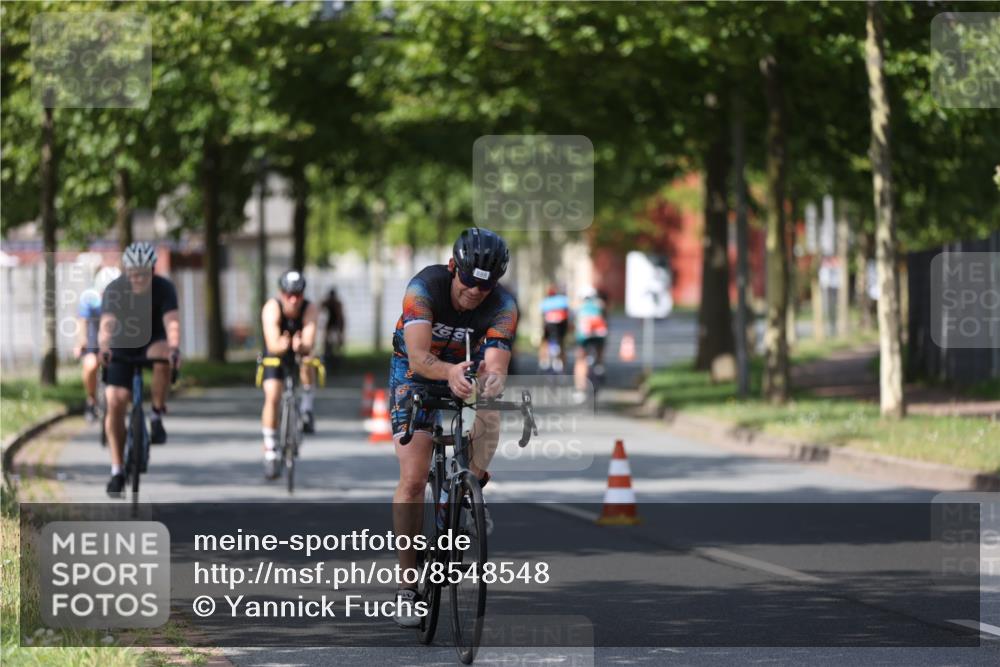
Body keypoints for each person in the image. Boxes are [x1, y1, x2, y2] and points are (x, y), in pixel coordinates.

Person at [389, 227, 517, 627]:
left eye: (486, 287)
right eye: (468, 282)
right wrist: (449, 373)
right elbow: (419, 355)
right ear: (452, 268)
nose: (475, 293)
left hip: (467, 369)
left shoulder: (504, 305)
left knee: (492, 406)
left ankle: (467, 493)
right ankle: (408, 586)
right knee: (412, 477)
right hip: (415, 371)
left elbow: (495, 367)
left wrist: (490, 382)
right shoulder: (423, 288)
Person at [99, 242, 180, 497]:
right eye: (133, 273)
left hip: (152, 341)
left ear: (152, 271)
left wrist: (175, 347)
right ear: (126, 271)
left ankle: (156, 416)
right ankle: (117, 471)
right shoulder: (115, 289)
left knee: (164, 356)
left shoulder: (164, 288)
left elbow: (172, 324)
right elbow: (107, 325)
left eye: (143, 273)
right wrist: (103, 347)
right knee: (115, 400)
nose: (138, 278)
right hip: (122, 345)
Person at [259, 269, 319, 480]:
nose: (293, 299)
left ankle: (307, 408)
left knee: (308, 359)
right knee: (273, 396)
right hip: (276, 351)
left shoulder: (309, 308)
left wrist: (301, 345)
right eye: (288, 294)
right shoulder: (271, 308)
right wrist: (282, 344)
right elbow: (273, 342)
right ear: (281, 293)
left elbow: (310, 339)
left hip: (299, 348)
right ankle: (270, 449)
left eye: (298, 294)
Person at [77, 266, 120, 422]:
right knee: (90, 365)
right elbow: (83, 322)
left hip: (115, 334)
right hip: (94, 333)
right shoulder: (89, 299)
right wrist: (82, 342)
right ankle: (91, 400)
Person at [572, 286, 609, 401]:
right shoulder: (600, 304)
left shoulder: (578, 307)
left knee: (580, 360)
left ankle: (580, 389)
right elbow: (605, 320)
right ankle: (599, 365)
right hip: (599, 336)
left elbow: (574, 324)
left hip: (584, 337)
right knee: (600, 348)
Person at [539, 284, 570, 372]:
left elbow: (542, 314)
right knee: (561, 342)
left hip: (549, 325)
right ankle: (562, 362)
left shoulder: (545, 301)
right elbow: (567, 313)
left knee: (544, 341)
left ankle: (543, 360)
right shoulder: (563, 300)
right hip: (561, 325)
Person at [321, 287, 345, 372]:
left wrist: (340, 331)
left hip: (335, 327)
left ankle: (336, 364)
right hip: (331, 326)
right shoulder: (329, 303)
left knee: (337, 347)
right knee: (327, 345)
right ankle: (329, 361)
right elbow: (321, 305)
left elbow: (340, 317)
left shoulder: (337, 304)